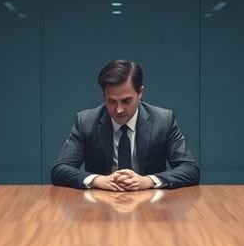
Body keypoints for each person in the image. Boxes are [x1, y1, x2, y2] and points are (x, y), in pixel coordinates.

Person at [51, 59, 200, 190]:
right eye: (111, 101)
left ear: (140, 92)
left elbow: (190, 169)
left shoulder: (163, 120)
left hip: (151, 207)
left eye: (126, 101)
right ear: (104, 96)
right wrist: (98, 180)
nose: (119, 110)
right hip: (100, 205)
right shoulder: (86, 122)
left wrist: (148, 181)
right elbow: (60, 170)